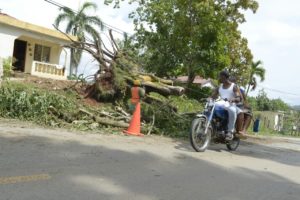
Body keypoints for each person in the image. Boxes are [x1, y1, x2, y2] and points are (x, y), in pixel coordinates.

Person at [211, 70, 246, 140]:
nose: (219, 78)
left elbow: (239, 97)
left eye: (220, 77)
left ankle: (230, 131)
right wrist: (209, 98)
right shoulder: (219, 87)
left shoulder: (234, 86)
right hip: (220, 103)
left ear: (224, 77)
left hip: (230, 104)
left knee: (232, 110)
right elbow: (213, 96)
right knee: (210, 106)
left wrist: (234, 99)